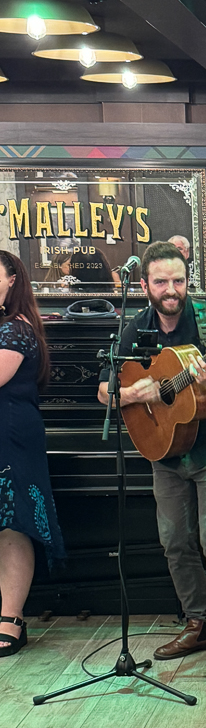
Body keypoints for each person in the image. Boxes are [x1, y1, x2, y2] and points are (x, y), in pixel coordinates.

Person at [97, 241, 206, 667]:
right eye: (161, 281)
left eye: (178, 281)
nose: (171, 289)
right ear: (144, 283)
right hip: (165, 452)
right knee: (174, 542)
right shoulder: (136, 327)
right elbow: (104, 390)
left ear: (188, 282)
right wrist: (132, 392)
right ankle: (197, 623)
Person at [0, 251, 65, 656]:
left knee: (12, 525)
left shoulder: (16, 330)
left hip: (10, 436)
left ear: (12, 282)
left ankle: (11, 618)